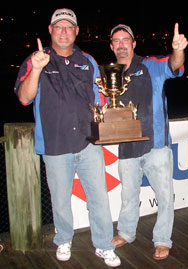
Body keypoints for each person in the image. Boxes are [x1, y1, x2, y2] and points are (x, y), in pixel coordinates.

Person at [14, 8, 121, 267]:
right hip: (54, 144)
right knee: (60, 199)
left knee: (99, 198)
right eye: (58, 27)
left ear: (76, 31)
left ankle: (104, 245)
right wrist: (37, 69)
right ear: (50, 30)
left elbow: (102, 100)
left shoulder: (89, 61)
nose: (63, 31)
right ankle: (64, 239)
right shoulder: (36, 59)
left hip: (88, 144)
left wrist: (117, 117)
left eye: (68, 27)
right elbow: (24, 97)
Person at [109, 23, 188, 260]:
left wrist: (177, 50)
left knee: (165, 196)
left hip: (157, 146)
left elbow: (174, 66)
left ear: (133, 44)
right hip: (127, 146)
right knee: (128, 195)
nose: (122, 44)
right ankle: (126, 232)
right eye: (117, 41)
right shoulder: (110, 74)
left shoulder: (151, 65)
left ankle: (163, 239)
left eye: (126, 40)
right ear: (112, 46)